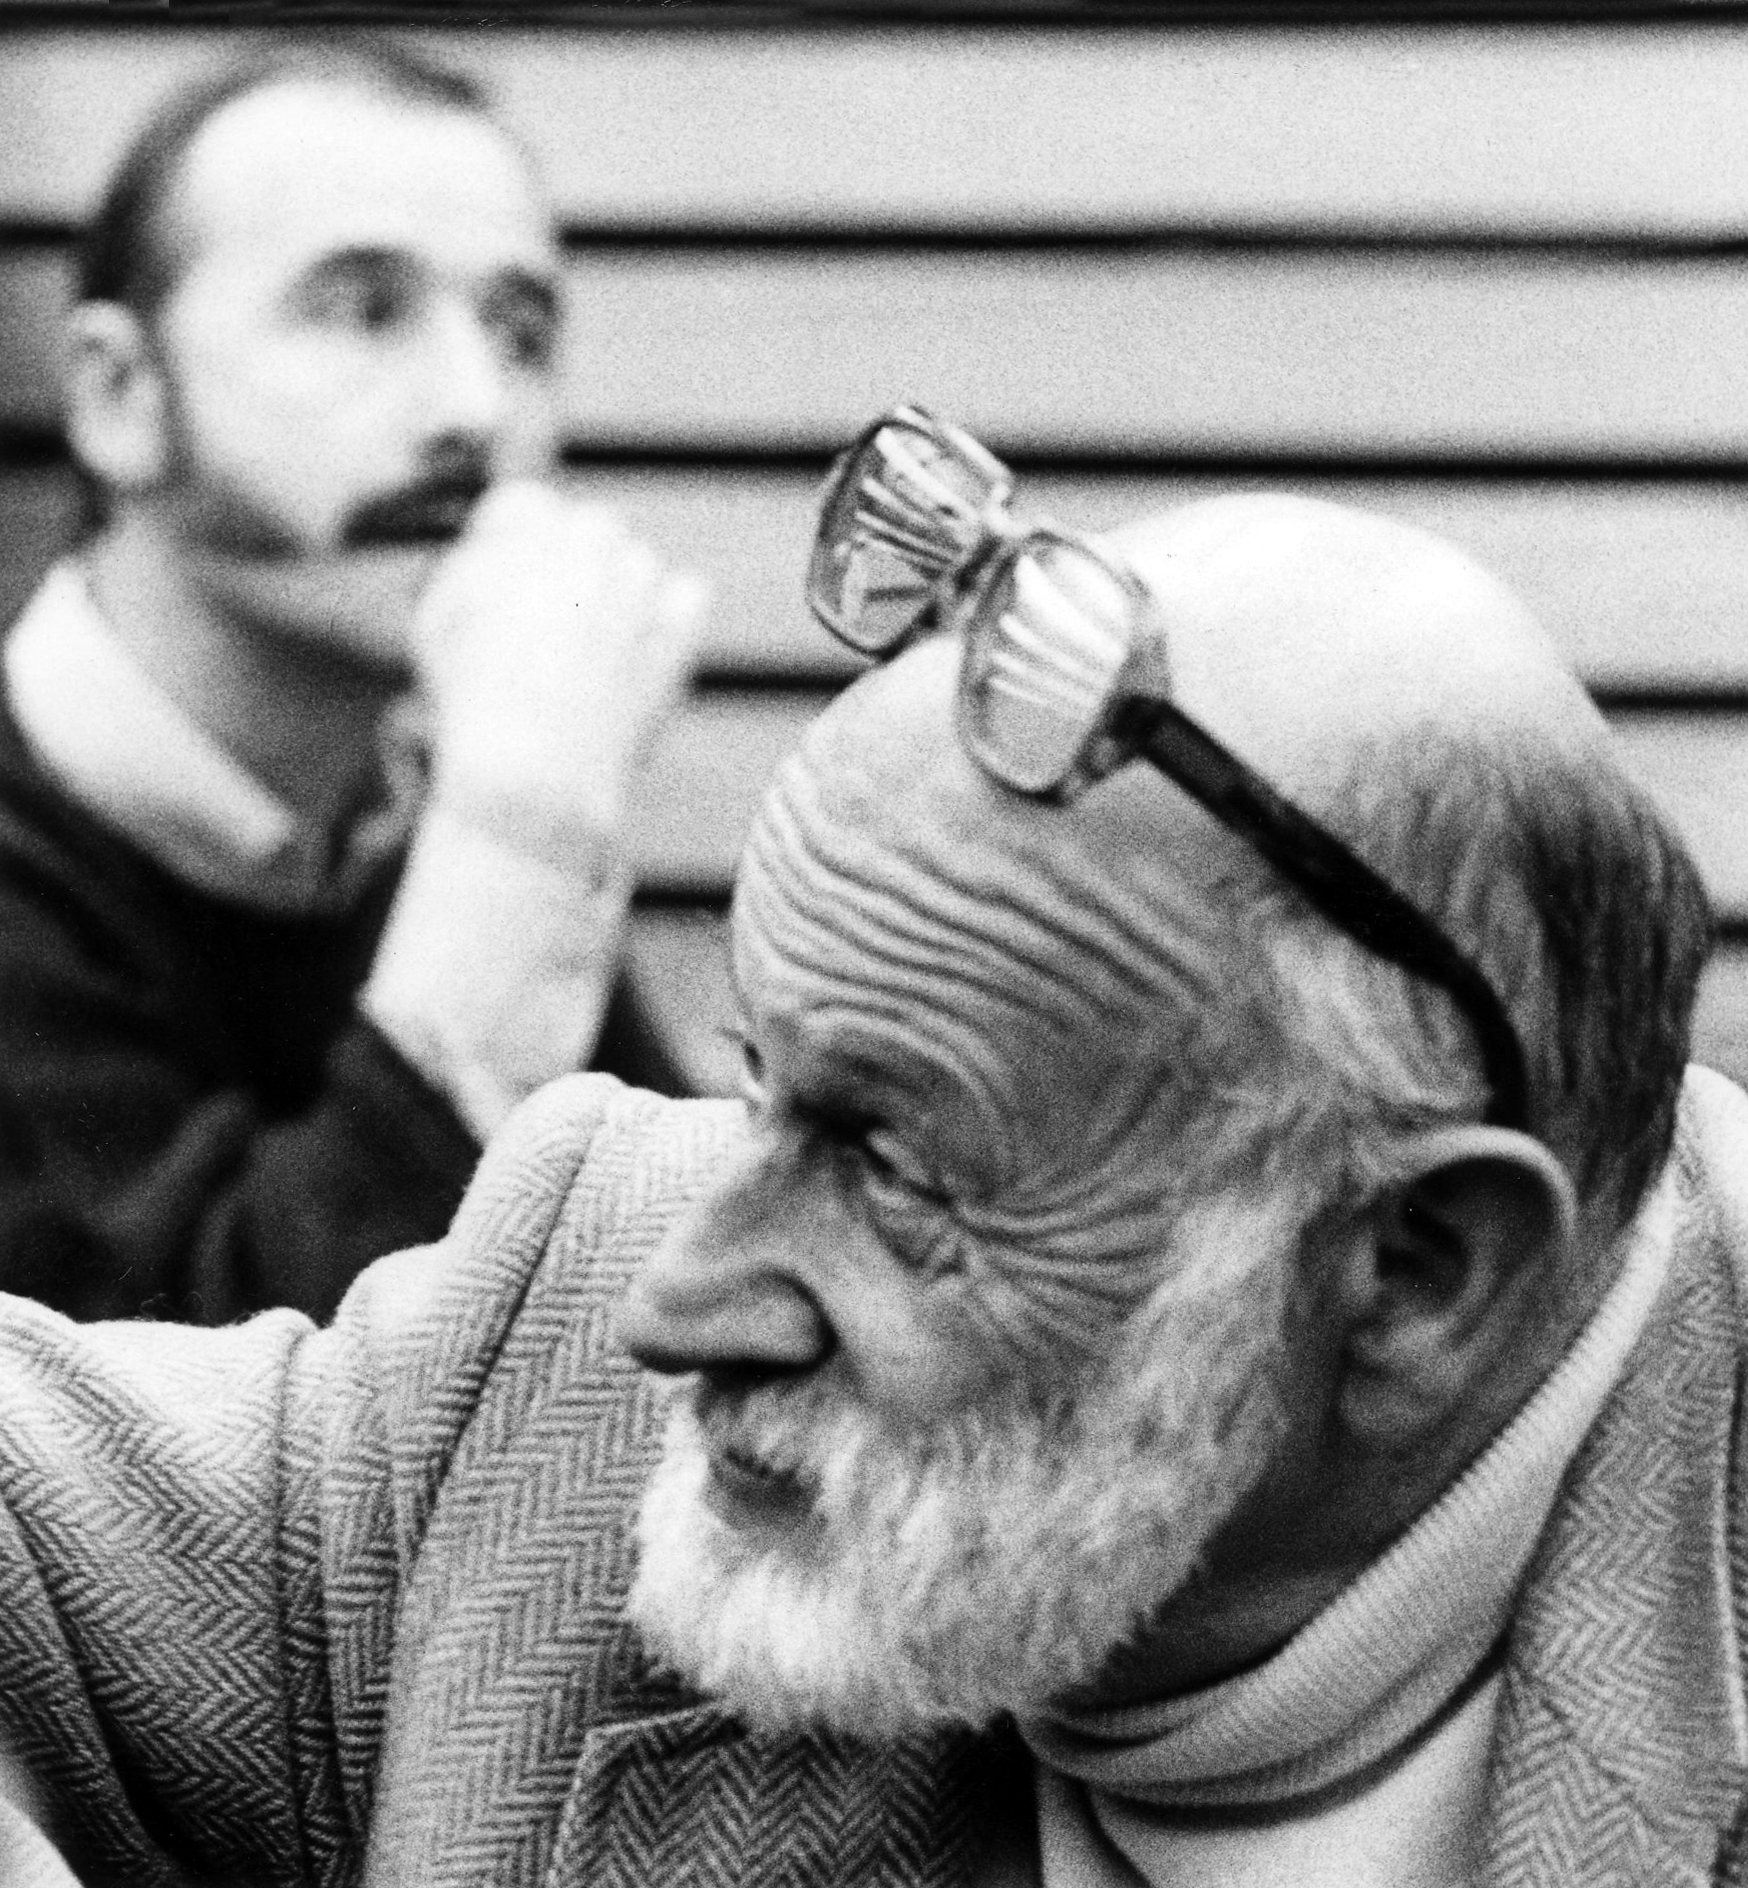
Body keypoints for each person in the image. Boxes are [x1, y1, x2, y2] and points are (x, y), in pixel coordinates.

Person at [0, 446, 1737, 1888]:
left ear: (1420, 1265)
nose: (677, 1299)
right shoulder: (548, 1361)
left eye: (896, 1170)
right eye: (765, 1086)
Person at [0, 39, 703, 1322]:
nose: (475, 409)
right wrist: (525, 831)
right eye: (362, 309)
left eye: (520, 330)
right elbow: (218, 1469)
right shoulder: (493, 814)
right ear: (116, 397)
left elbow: (670, 1302)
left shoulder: (417, 812)